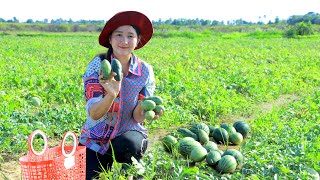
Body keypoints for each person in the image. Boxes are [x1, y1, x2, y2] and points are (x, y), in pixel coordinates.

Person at [79, 11, 163, 179]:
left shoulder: (145, 71)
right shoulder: (98, 66)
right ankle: (104, 161)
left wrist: (146, 110)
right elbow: (94, 114)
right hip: (96, 138)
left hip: (127, 134)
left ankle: (130, 172)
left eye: (130, 36)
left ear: (137, 40)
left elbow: (137, 117)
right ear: (110, 39)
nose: (124, 41)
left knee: (129, 145)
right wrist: (111, 94)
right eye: (119, 35)